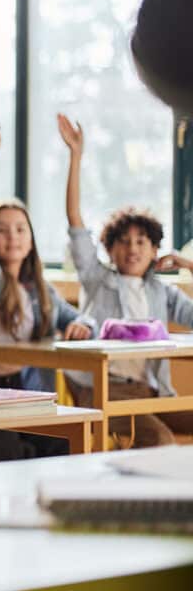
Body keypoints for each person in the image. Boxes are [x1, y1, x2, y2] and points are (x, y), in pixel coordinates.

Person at [0, 122, 96, 461]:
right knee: (8, 451)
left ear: (30, 239)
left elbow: (84, 318)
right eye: (0, 230)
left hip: (26, 397)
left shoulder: (41, 291)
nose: (12, 237)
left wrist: (84, 324)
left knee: (65, 444)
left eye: (19, 229)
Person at [60, 113, 193, 447]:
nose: (132, 248)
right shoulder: (97, 278)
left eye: (141, 242)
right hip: (103, 389)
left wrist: (186, 265)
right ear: (110, 248)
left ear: (154, 250)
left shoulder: (162, 291)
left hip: (151, 389)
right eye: (123, 241)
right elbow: (76, 222)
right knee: (161, 443)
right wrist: (76, 156)